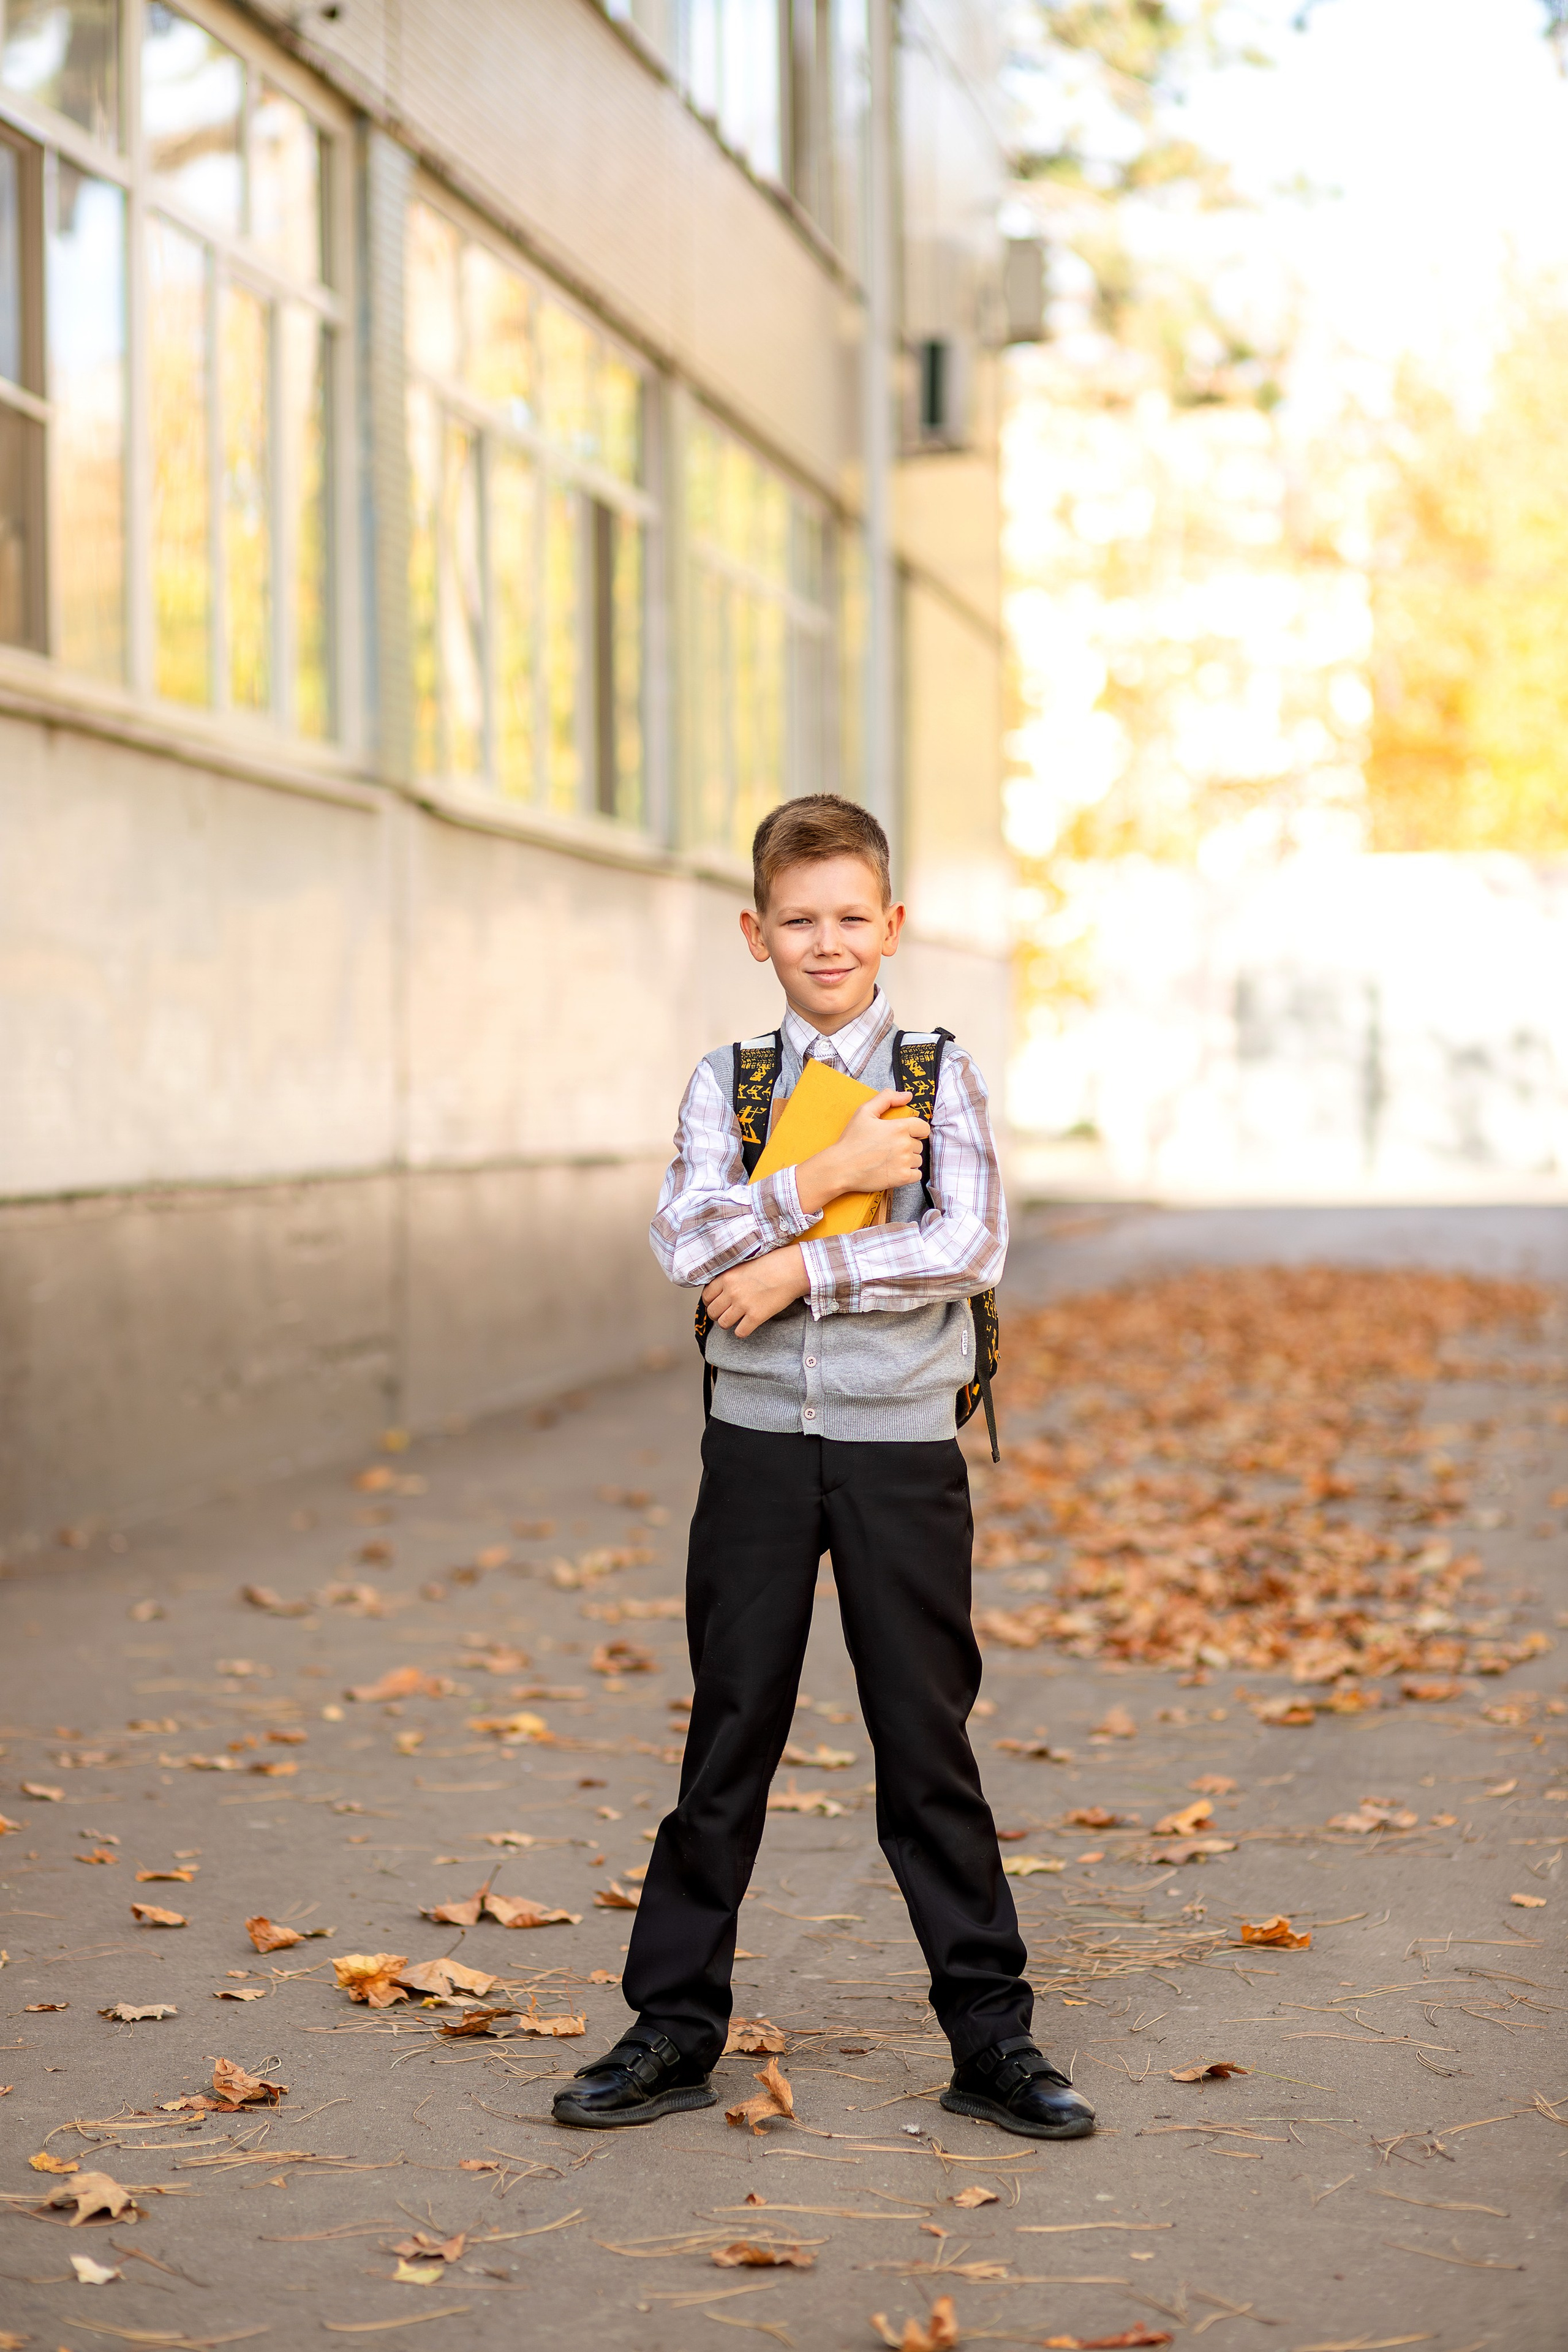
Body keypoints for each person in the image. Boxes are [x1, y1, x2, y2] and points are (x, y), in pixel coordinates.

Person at [552, 794, 1093, 2143]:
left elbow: (967, 1245)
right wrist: (823, 1178)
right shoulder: (725, 1082)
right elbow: (688, 1246)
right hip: (751, 1452)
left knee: (925, 1741)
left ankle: (990, 2038)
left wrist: (794, 1264)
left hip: (901, 1451)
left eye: (851, 916)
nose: (827, 940)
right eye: (798, 920)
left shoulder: (937, 1071)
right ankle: (674, 2029)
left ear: (891, 924)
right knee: (728, 1733)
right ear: (756, 933)